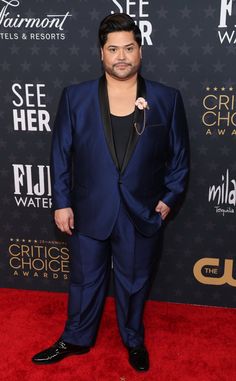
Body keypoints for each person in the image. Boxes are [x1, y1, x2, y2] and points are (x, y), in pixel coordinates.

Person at [32, 13, 189, 372]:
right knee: (85, 279)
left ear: (140, 52)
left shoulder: (167, 99)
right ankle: (75, 338)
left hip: (142, 210)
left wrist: (168, 200)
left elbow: (180, 158)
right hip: (88, 208)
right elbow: (60, 154)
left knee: (134, 283)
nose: (121, 56)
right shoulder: (76, 97)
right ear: (101, 53)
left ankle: (134, 340)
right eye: (113, 49)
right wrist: (62, 203)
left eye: (129, 48)